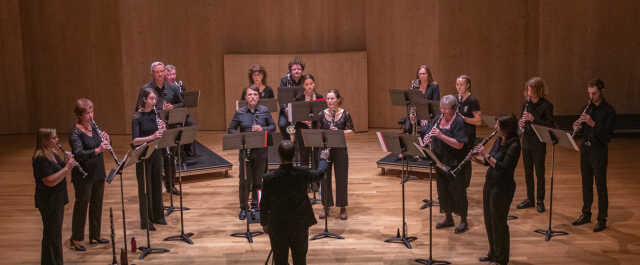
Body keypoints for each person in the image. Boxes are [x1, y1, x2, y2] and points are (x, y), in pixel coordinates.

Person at [260, 140, 329, 265]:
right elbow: (320, 173)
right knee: (300, 259)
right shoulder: (302, 173)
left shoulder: (269, 178)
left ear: (279, 155)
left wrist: (264, 223)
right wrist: (324, 159)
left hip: (277, 224)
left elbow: (263, 203)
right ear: (294, 155)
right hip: (299, 223)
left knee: (280, 261)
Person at [472, 115, 520, 265]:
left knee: (499, 222)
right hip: (490, 183)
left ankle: (502, 258)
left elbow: (503, 167)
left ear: (507, 128)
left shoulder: (515, 145)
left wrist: (484, 153)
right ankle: (493, 253)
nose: (495, 128)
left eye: (498, 126)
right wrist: (475, 158)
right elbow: (489, 162)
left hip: (503, 187)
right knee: (489, 220)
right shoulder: (499, 140)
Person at [571, 78, 616, 232]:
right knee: (586, 183)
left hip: (599, 151)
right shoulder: (587, 108)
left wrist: (593, 124)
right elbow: (583, 131)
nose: (591, 97)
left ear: (601, 92)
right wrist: (577, 127)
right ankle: (586, 214)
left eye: (594, 93)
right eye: (589, 93)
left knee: (600, 185)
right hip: (585, 150)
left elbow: (607, 136)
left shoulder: (609, 111)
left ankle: (602, 219)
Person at [420, 95, 468, 233]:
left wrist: (441, 136)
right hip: (440, 161)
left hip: (455, 163)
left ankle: (463, 220)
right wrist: (428, 141)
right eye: (441, 108)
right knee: (443, 191)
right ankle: (448, 218)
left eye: (446, 109)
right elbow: (430, 133)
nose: (443, 111)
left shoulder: (458, 122)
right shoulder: (438, 118)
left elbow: (459, 144)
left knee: (458, 192)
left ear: (454, 109)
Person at [68, 99, 111, 251]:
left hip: (98, 170)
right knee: (81, 206)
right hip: (84, 174)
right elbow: (79, 154)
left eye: (92, 111)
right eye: (87, 113)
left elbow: (99, 142)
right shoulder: (75, 132)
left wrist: (105, 138)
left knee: (97, 204)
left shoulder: (93, 126)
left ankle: (95, 235)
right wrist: (98, 150)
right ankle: (76, 239)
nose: (91, 115)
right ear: (80, 115)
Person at [228, 87, 276, 220]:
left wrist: (263, 128)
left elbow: (273, 127)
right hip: (246, 152)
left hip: (261, 151)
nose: (253, 97)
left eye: (255, 94)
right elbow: (231, 129)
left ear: (258, 97)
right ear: (246, 97)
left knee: (259, 181)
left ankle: (257, 205)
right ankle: (244, 208)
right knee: (244, 181)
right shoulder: (240, 112)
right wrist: (242, 137)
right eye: (250, 94)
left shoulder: (264, 111)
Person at [136, 61, 183, 195]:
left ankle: (170, 185)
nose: (160, 74)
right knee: (156, 158)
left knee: (170, 157)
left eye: (162, 71)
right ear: (153, 73)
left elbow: (182, 103)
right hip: (153, 130)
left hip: (170, 127)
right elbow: (138, 109)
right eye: (157, 72)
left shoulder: (172, 87)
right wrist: (152, 109)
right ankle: (155, 187)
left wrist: (173, 107)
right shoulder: (146, 89)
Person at [33, 128, 76, 265]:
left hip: (56, 199)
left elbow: (60, 168)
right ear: (45, 140)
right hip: (48, 201)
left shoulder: (52, 153)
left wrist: (66, 161)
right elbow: (49, 181)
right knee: (51, 235)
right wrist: (67, 168)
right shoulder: (40, 158)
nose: (57, 140)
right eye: (54, 138)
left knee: (55, 234)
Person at [516, 77, 554, 213]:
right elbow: (522, 121)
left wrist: (534, 119)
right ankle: (530, 199)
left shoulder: (547, 105)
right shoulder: (526, 104)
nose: (528, 91)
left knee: (539, 173)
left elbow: (550, 125)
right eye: (527, 89)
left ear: (538, 90)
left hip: (539, 143)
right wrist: (520, 124)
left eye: (531, 89)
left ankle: (540, 200)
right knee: (528, 172)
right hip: (526, 141)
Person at [132, 88, 167, 230]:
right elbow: (135, 140)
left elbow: (158, 132)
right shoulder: (137, 117)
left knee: (156, 184)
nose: (154, 101)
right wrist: (152, 137)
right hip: (143, 155)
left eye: (155, 99)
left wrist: (162, 129)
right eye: (152, 99)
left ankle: (158, 216)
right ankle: (146, 220)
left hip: (155, 152)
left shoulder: (155, 114)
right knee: (145, 188)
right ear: (145, 99)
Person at [451, 75, 482, 233]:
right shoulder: (457, 100)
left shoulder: (472, 101)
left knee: (465, 166)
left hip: (468, 138)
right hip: (458, 138)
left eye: (461, 84)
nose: (458, 87)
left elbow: (478, 121)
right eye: (457, 84)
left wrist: (463, 118)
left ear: (468, 85)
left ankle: (464, 187)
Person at [317, 89, 353, 220]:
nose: (330, 101)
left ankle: (342, 206)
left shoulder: (345, 114)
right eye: (328, 99)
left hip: (340, 148)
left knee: (341, 177)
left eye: (332, 98)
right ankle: (326, 205)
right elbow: (317, 131)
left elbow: (351, 131)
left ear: (338, 99)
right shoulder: (321, 114)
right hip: (325, 149)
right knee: (324, 177)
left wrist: (339, 132)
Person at [293, 74, 324, 168]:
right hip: (302, 128)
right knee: (304, 153)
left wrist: (314, 119)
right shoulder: (299, 98)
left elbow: (323, 114)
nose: (309, 86)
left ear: (314, 84)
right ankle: (305, 177)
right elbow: (295, 116)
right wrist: (303, 120)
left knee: (316, 154)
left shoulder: (320, 97)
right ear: (303, 86)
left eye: (311, 83)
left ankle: (316, 177)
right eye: (307, 84)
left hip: (315, 127)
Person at [278, 57, 305, 140]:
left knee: (303, 128)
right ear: (290, 71)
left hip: (301, 110)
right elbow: (281, 97)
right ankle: (287, 143)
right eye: (294, 69)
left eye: (299, 69)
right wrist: (285, 108)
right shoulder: (284, 81)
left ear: (302, 71)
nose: (297, 71)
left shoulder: (305, 80)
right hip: (287, 110)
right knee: (282, 124)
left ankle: (300, 144)